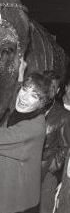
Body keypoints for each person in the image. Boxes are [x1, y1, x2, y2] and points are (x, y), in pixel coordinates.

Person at [0, 67, 52, 213]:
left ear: (41, 104)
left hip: (12, 200)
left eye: (34, 96)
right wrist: (20, 75)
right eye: (25, 90)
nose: (24, 97)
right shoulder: (26, 112)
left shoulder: (32, 128)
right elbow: (14, 104)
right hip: (2, 186)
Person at [40, 71, 70, 213]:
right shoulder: (30, 107)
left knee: (44, 207)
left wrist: (53, 166)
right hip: (24, 168)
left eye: (53, 87)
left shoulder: (63, 115)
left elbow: (65, 146)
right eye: (47, 85)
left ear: (58, 90)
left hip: (47, 171)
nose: (49, 90)